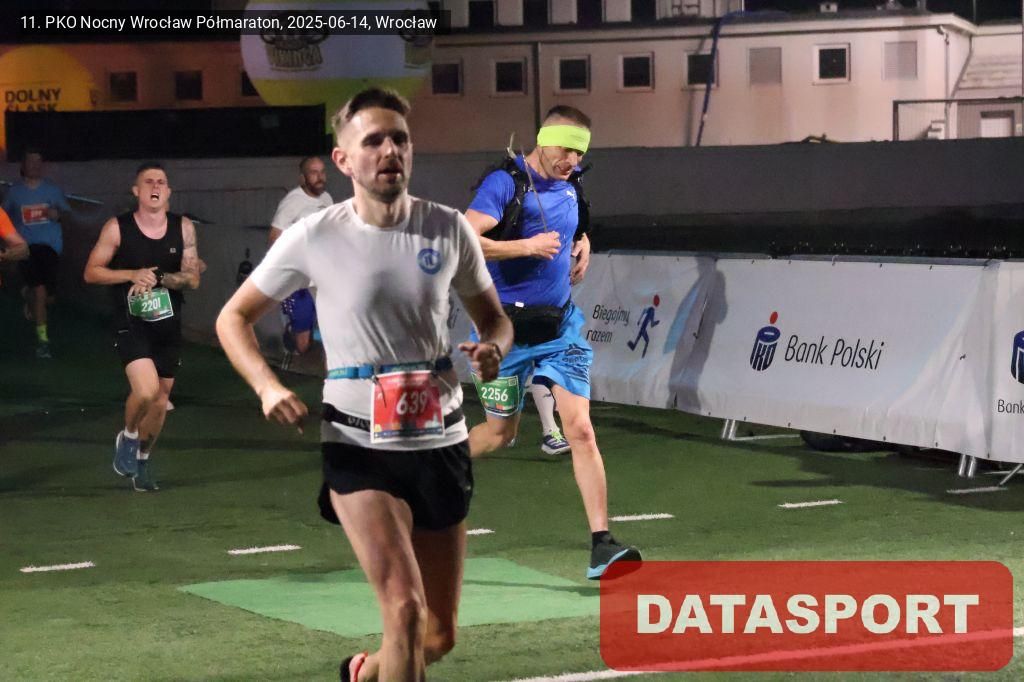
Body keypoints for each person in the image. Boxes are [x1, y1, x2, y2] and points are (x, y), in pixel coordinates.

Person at [216, 88, 511, 682]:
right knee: (403, 611)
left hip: (441, 440)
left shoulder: (448, 228)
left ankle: (362, 673)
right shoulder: (315, 235)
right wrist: (268, 387)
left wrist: (493, 350)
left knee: (437, 635)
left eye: (399, 138)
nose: (389, 150)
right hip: (357, 444)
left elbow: (495, 320)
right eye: (373, 140)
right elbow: (233, 317)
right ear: (343, 159)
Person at [465, 105, 641, 580]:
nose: (572, 161)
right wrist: (525, 247)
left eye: (580, 154)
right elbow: (465, 238)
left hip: (559, 329)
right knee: (499, 435)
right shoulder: (505, 184)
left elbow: (575, 225)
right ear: (544, 140)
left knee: (580, 430)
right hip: (501, 333)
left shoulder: (571, 183)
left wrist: (584, 244)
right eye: (566, 150)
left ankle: (602, 545)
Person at [84, 162, 201, 492]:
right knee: (147, 391)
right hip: (130, 322)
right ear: (136, 191)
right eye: (148, 181)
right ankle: (129, 435)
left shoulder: (183, 227)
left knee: (161, 400)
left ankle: (143, 462)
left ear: (169, 191)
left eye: (161, 182)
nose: (155, 186)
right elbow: (91, 272)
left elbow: (193, 278)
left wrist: (161, 277)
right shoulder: (117, 227)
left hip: (168, 324)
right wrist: (131, 274)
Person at [2, 150, 71, 358]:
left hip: (50, 247)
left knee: (48, 297)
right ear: (23, 165)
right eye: (30, 161)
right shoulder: (14, 192)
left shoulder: (52, 190)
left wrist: (57, 214)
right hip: (26, 248)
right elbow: (4, 219)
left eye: (38, 162)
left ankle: (28, 295)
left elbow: (67, 214)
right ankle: (43, 341)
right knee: (40, 290)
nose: (34, 165)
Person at [268, 156, 334, 361]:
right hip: (298, 278)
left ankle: (330, 368)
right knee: (302, 344)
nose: (319, 177)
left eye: (322, 172)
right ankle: (293, 340)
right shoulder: (293, 201)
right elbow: (274, 237)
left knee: (333, 324)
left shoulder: (327, 199)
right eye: (313, 173)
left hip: (322, 276)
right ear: (302, 178)